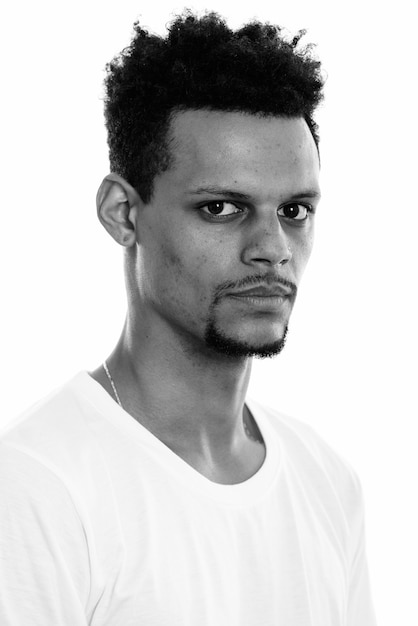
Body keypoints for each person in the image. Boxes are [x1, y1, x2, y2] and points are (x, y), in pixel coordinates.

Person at [0, 11, 376, 625]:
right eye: (222, 207)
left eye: (295, 209)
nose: (273, 248)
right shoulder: (37, 486)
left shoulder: (328, 481)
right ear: (124, 213)